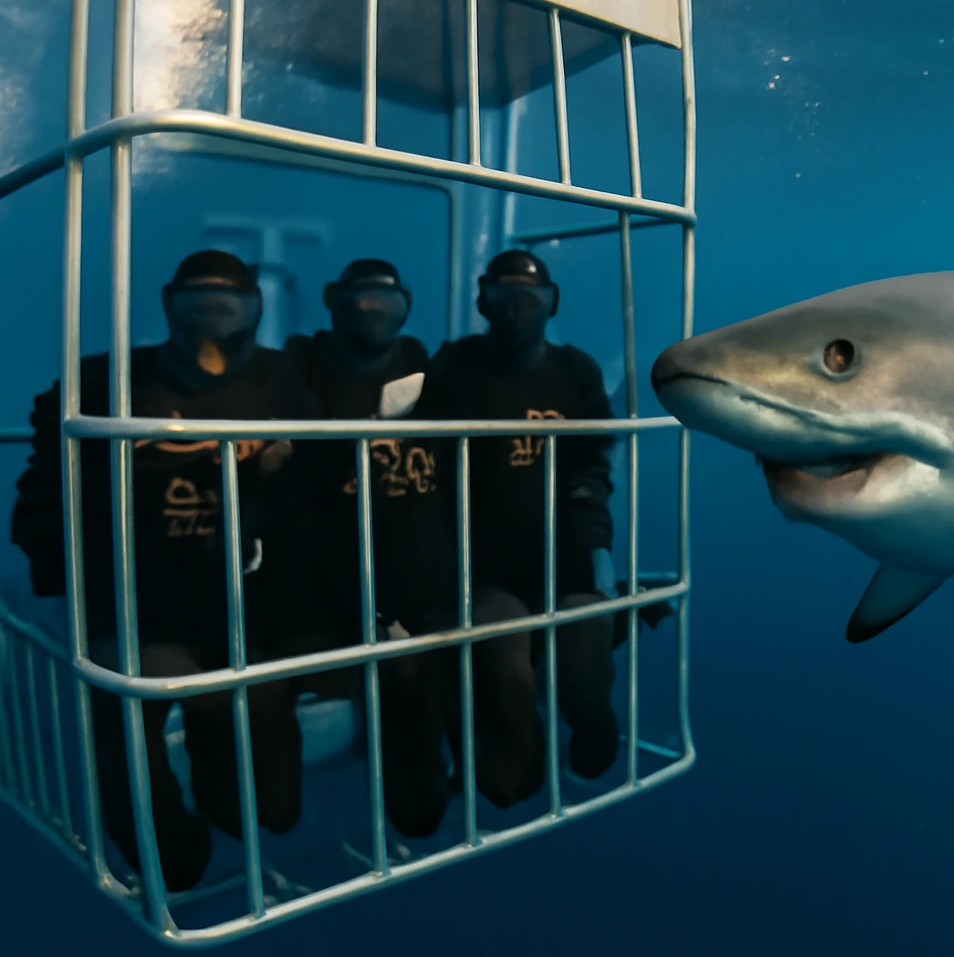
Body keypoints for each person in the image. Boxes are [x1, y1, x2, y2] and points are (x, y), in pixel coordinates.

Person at [10, 250, 319, 892]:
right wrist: (71, 575)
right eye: (198, 304)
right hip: (136, 609)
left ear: (254, 311)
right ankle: (172, 852)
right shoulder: (103, 383)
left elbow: (310, 486)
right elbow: (44, 488)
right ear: (169, 306)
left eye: (226, 306)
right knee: (126, 719)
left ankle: (223, 802)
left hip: (241, 611)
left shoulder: (278, 379)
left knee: (271, 803)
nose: (212, 322)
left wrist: (268, 514)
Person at [412, 249, 623, 800]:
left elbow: (594, 465)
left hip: (565, 562)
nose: (516, 312)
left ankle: (592, 727)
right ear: (484, 301)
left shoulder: (576, 372)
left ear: (551, 305)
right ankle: (516, 769)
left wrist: (597, 549)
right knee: (507, 668)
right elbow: (424, 469)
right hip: (483, 570)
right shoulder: (455, 365)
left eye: (530, 300)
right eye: (504, 300)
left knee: (585, 679)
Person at [283, 258, 459, 838]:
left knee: (431, 660)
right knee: (399, 670)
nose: (372, 312)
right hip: (327, 580)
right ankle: (412, 789)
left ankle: (428, 780)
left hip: (418, 573)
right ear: (333, 302)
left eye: (387, 302)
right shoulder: (296, 376)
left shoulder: (425, 369)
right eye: (360, 300)